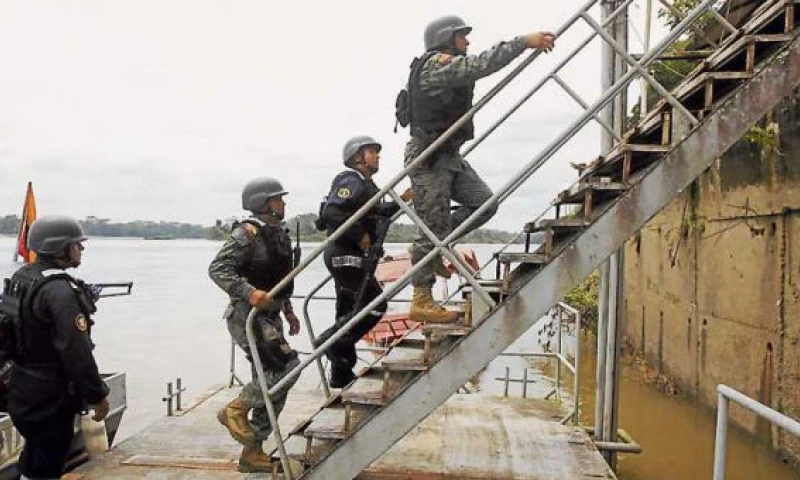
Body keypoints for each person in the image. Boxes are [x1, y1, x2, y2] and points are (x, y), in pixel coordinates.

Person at [400, 15, 556, 323]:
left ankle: (437, 248)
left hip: (448, 156)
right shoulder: (436, 65)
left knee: (484, 204)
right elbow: (478, 66)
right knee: (432, 227)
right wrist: (523, 42)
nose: (467, 43)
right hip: (428, 158)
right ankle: (421, 297)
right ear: (445, 39)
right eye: (462, 37)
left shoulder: (443, 64)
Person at [0, 215, 109, 479]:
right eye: (77, 244)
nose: (81, 249)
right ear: (60, 247)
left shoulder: (22, 278)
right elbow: (75, 351)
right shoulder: (60, 290)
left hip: (21, 388)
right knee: (46, 464)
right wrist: (97, 394)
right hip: (50, 395)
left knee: (36, 458)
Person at [209, 178, 300, 473]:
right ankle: (235, 409)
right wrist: (249, 292)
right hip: (247, 317)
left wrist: (288, 311)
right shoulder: (245, 234)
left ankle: (253, 450)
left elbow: (279, 277)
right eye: (278, 199)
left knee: (272, 383)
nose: (283, 204)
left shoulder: (278, 234)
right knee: (286, 368)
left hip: (271, 318)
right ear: (264, 203)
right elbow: (218, 269)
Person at [314, 135, 413, 388]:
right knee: (376, 305)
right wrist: (361, 235)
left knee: (350, 310)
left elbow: (378, 213)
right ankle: (331, 342)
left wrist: (403, 199)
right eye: (372, 152)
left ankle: (341, 375)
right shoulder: (351, 180)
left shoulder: (367, 185)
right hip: (345, 256)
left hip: (351, 257)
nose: (377, 156)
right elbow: (333, 212)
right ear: (357, 157)